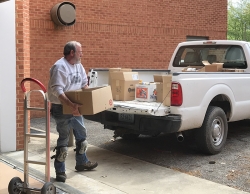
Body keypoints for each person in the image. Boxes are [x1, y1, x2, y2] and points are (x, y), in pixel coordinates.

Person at [48, 41, 98, 183]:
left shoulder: (79, 66)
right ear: (72, 53)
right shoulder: (60, 67)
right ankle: (60, 171)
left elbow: (84, 85)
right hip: (61, 107)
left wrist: (92, 100)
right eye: (80, 51)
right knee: (63, 139)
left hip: (76, 106)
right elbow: (58, 91)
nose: (82, 54)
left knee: (82, 135)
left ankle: (82, 162)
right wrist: (71, 105)